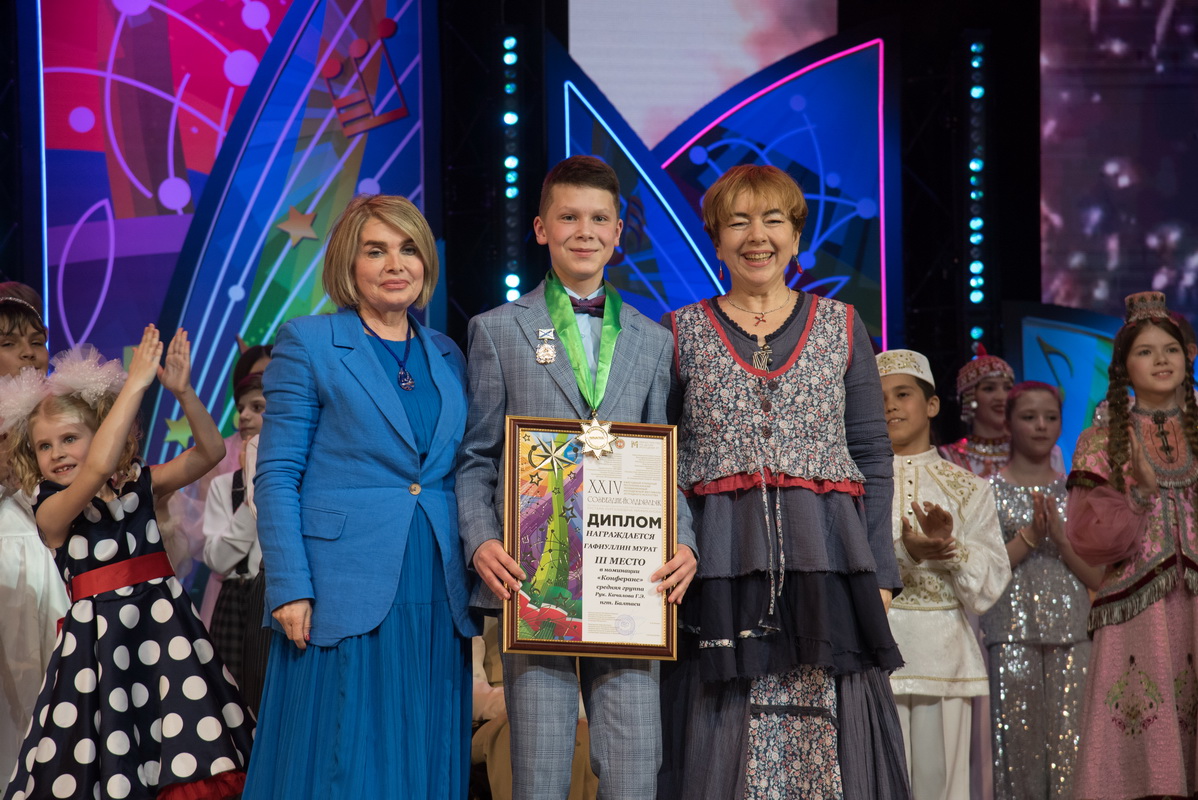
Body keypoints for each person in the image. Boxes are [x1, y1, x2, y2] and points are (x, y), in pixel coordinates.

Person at [659, 164, 907, 799]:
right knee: (720, 732)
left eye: (773, 220)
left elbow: (873, 455)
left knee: (829, 735)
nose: (757, 236)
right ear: (716, 240)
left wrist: (881, 572)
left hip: (829, 564)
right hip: (718, 571)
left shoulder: (843, 325)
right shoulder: (679, 333)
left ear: (796, 237)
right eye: (738, 222)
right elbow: (657, 460)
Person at [457, 155, 698, 800]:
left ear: (619, 231)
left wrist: (684, 541)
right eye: (568, 217)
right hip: (535, 579)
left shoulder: (652, 339)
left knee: (634, 768)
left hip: (629, 579)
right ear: (541, 228)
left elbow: (665, 462)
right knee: (538, 770)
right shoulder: (497, 330)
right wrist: (482, 540)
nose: (583, 231)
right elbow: (476, 456)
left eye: (598, 219)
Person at [244, 195, 479, 799]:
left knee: (423, 749)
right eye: (376, 251)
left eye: (408, 249)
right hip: (341, 587)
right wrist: (289, 584)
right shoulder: (309, 342)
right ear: (349, 263)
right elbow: (276, 474)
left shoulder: (448, 353)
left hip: (436, 585)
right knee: (344, 760)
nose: (395, 264)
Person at [1, 326, 253, 800]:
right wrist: (135, 384)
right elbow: (96, 467)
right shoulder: (51, 509)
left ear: (102, 434)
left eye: (70, 438)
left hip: (166, 637)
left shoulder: (139, 486)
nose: (57, 453)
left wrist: (184, 392)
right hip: (100, 649)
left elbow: (211, 452)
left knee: (183, 747)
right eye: (44, 446)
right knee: (109, 756)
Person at [1066, 291, 1198, 800]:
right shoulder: (1100, 442)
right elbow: (1089, 539)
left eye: (1170, 348)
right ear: (1124, 367)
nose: (1161, 359)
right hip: (1139, 613)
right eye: (1145, 351)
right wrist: (1140, 495)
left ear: (1187, 357)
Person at [877, 348, 1011, 800]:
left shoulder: (969, 488)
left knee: (942, 785)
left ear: (932, 404)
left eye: (902, 394)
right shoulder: (858, 487)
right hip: (877, 653)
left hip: (946, 656)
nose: (890, 406)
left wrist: (949, 548)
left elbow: (989, 584)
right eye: (879, 398)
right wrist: (907, 552)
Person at [981, 382, 1101, 800]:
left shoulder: (1078, 492)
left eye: (1050, 417)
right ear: (1008, 422)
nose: (1041, 426)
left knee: (1072, 750)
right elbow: (983, 571)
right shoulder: (986, 493)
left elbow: (1098, 578)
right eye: (1029, 417)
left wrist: (1062, 540)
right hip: (1009, 634)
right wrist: (1031, 535)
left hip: (1073, 632)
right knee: (1018, 755)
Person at [0, 285, 69, 794]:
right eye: (9, 343)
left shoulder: (61, 413)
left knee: (60, 704)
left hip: (57, 567)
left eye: (37, 341)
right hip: (7, 570)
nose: (27, 353)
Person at [200, 372, 269, 712]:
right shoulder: (224, 485)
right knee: (228, 702)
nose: (244, 416)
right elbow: (217, 559)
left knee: (267, 693)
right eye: (240, 408)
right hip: (233, 599)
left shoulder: (300, 481)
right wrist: (251, 501)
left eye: (257, 407)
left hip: (272, 595)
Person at [939, 349, 1016, 478]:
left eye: (1008, 388)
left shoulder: (1031, 451)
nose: (1002, 397)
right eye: (989, 388)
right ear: (970, 398)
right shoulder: (948, 458)